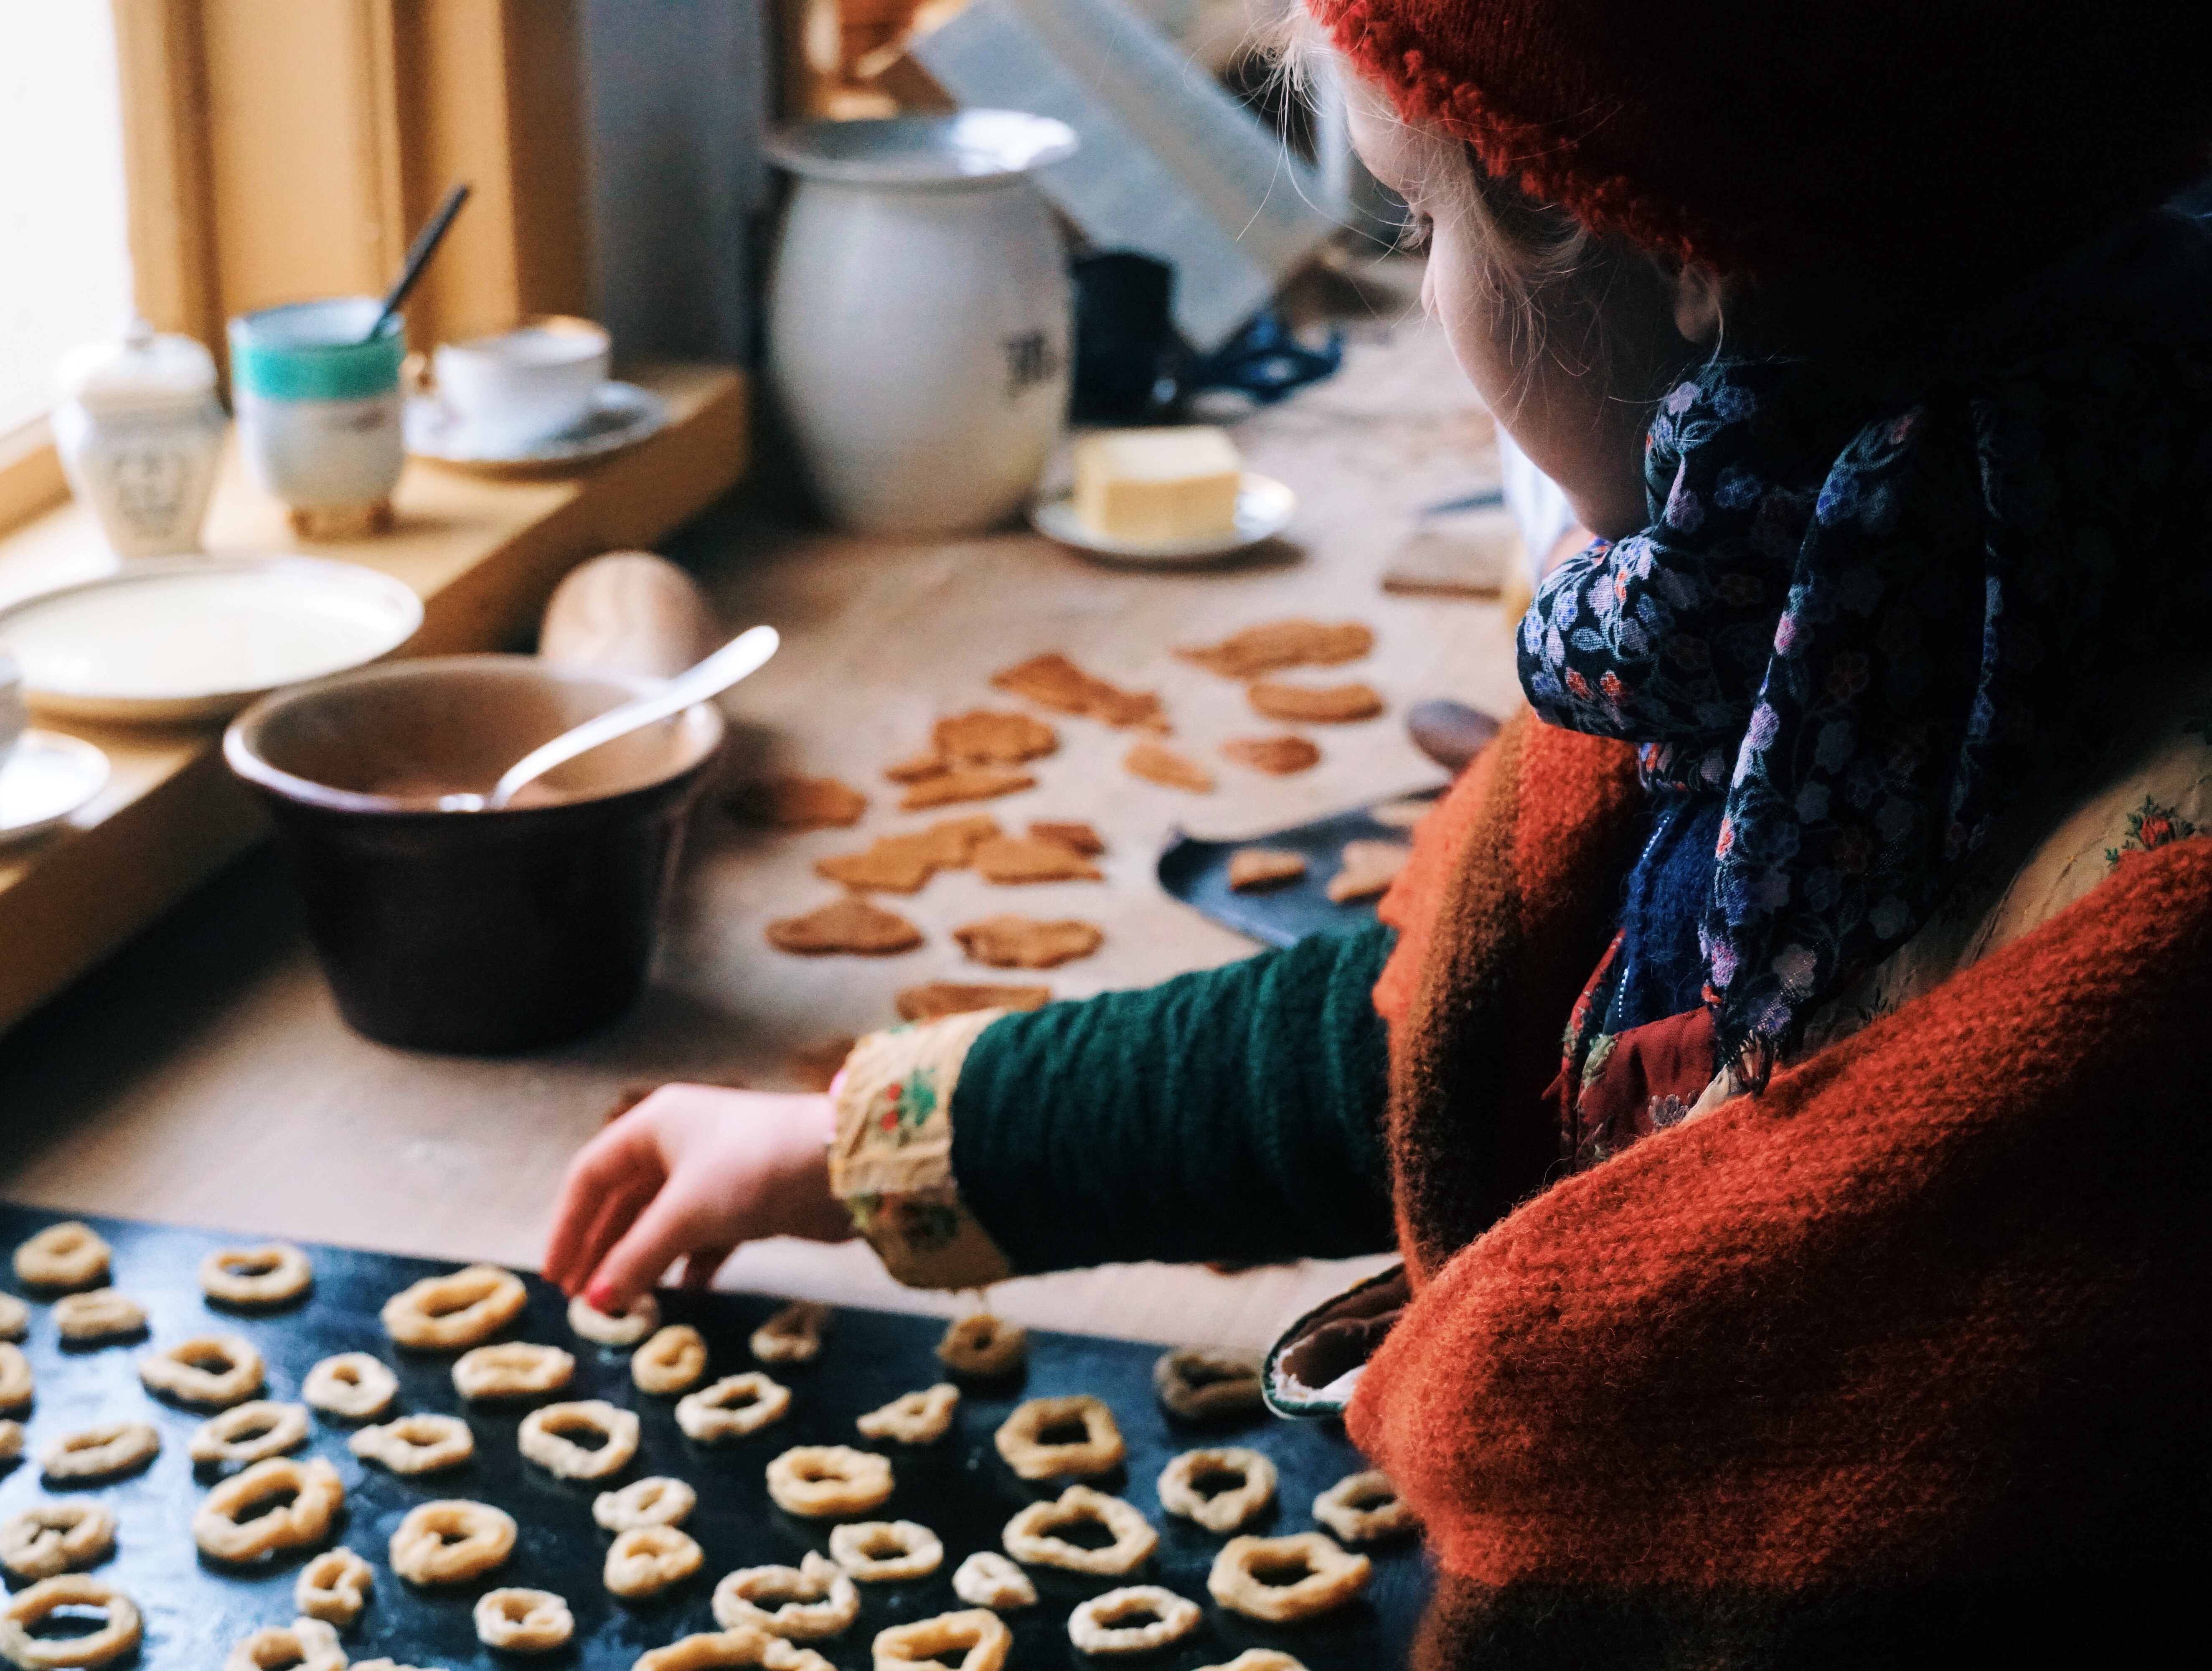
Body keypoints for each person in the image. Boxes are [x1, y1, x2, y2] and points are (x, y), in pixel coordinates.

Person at [546, 2, 2212, 1662]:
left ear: (1631, 233)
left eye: (1419, 223)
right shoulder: (1825, 608)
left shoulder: (2117, 985)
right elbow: (1443, 1042)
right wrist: (876, 1145)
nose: (1421, 295)